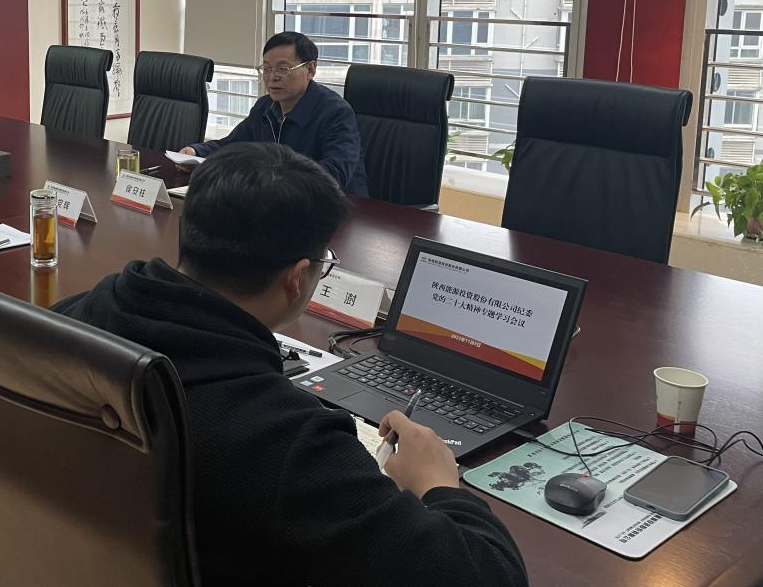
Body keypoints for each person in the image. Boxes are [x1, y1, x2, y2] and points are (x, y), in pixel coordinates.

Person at [54, 143, 526, 587]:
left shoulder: (70, 320)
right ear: (298, 278)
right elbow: (489, 576)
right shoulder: (283, 442)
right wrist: (439, 485)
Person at [179, 30, 368, 195]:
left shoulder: (335, 112)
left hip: (341, 209)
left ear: (310, 69)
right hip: (279, 202)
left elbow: (334, 174)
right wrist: (196, 152)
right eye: (267, 69)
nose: (272, 77)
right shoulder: (264, 106)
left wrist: (272, 177)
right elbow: (234, 144)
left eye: (282, 69)